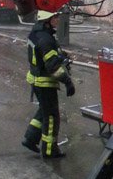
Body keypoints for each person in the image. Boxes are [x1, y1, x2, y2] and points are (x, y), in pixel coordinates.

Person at [22, 10, 75, 159]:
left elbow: (45, 55)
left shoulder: (37, 33)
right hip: (45, 83)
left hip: (36, 79)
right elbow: (52, 66)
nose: (58, 20)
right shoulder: (46, 39)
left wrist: (60, 55)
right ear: (47, 20)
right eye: (55, 17)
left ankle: (30, 139)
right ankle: (49, 150)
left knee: (44, 111)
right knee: (51, 116)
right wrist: (67, 81)